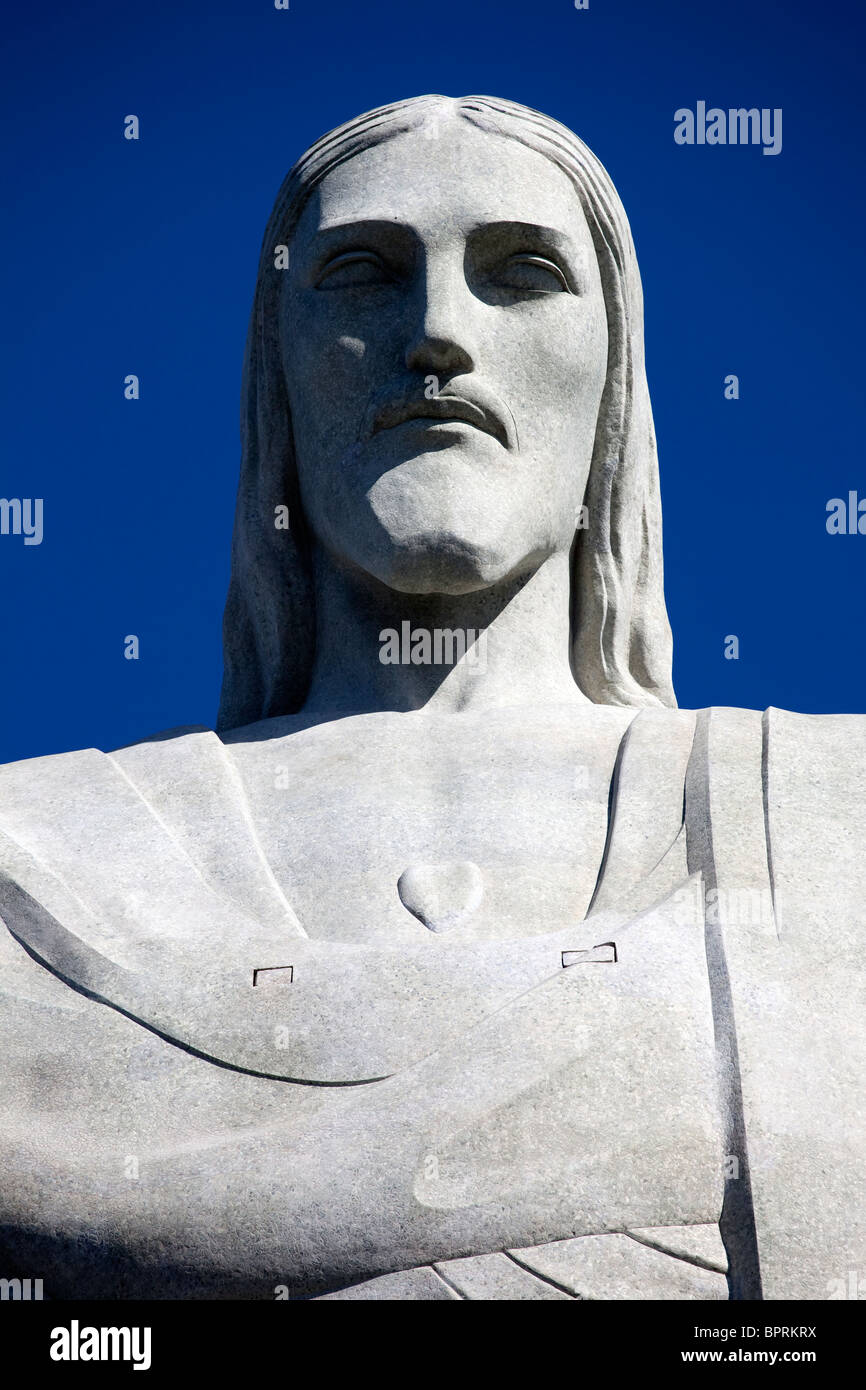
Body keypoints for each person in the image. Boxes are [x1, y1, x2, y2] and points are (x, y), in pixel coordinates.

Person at [0, 96, 862, 1301]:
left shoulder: (834, 820)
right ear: (278, 380)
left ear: (613, 382)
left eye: (520, 273)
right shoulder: (38, 853)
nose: (438, 334)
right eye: (361, 272)